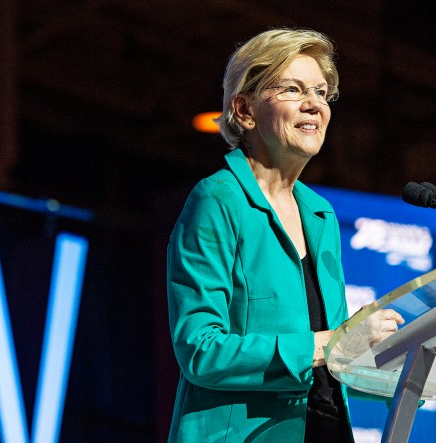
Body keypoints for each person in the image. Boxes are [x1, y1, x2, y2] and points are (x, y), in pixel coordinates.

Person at [166, 28, 405, 443]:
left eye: (321, 92)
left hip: (325, 429)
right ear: (244, 111)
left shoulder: (320, 214)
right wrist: (330, 344)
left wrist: (399, 363)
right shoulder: (218, 200)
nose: (314, 104)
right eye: (294, 89)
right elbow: (201, 351)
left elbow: (331, 359)